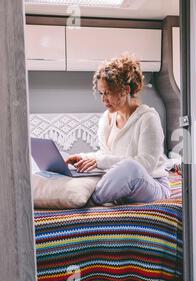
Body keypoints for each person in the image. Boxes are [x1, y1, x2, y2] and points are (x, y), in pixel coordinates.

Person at [65, 53, 170, 205]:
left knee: (131, 168)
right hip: (122, 185)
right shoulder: (106, 119)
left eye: (108, 93)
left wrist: (99, 161)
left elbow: (145, 165)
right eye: (101, 93)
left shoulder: (148, 118)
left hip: (153, 185)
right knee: (72, 162)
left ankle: (90, 201)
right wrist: (83, 157)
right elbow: (105, 155)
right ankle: (84, 193)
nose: (103, 99)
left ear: (125, 90)